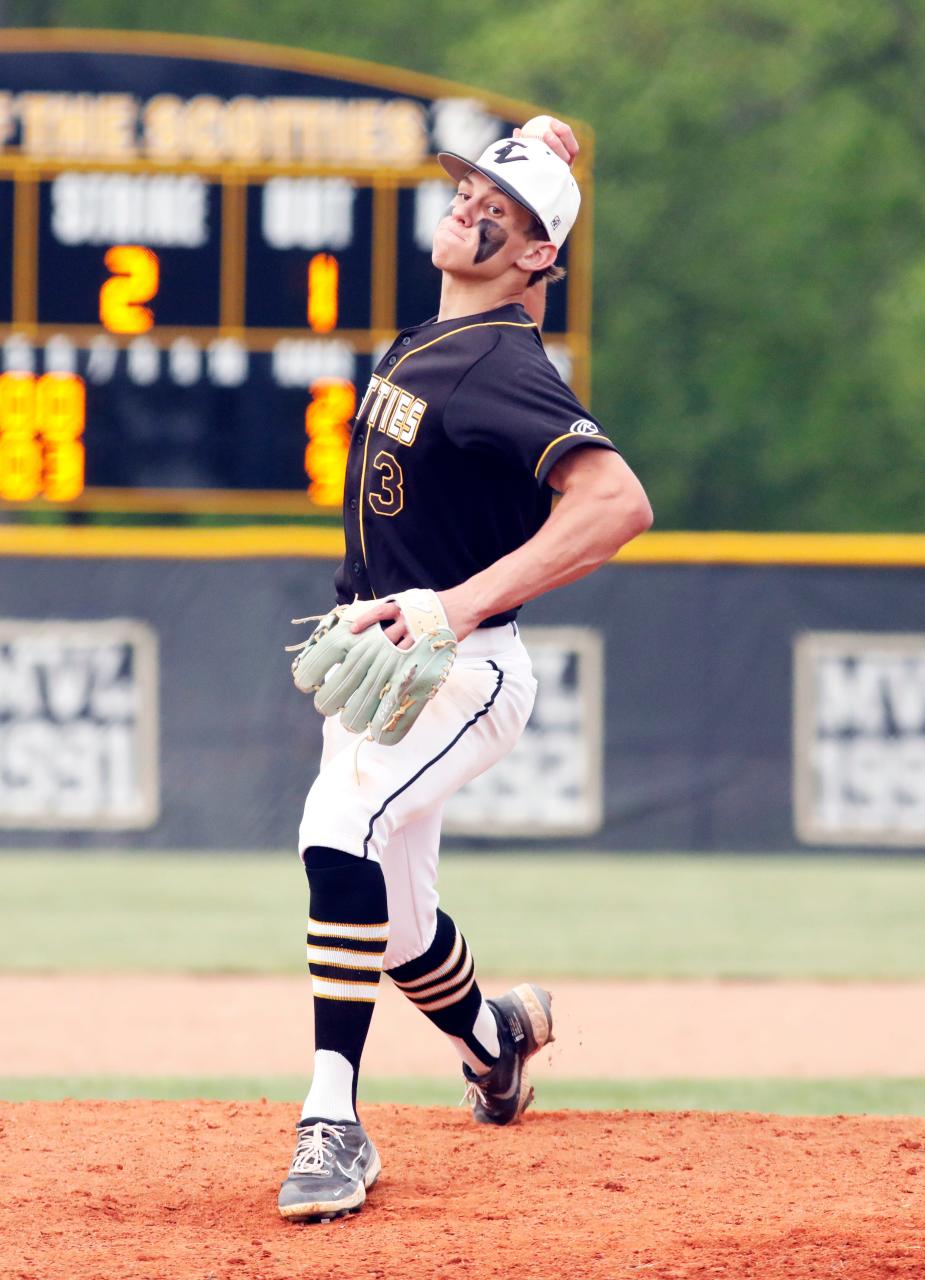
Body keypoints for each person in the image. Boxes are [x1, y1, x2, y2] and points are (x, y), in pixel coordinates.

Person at [278, 117, 653, 1222]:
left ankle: (332, 1119)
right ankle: (496, 1038)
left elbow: (617, 504)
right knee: (388, 922)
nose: (476, 205)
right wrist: (535, 151)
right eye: (473, 188)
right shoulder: (435, 339)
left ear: (542, 258)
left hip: (462, 671)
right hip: (389, 666)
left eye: (509, 209)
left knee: (334, 834)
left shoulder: (499, 363)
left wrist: (454, 602)